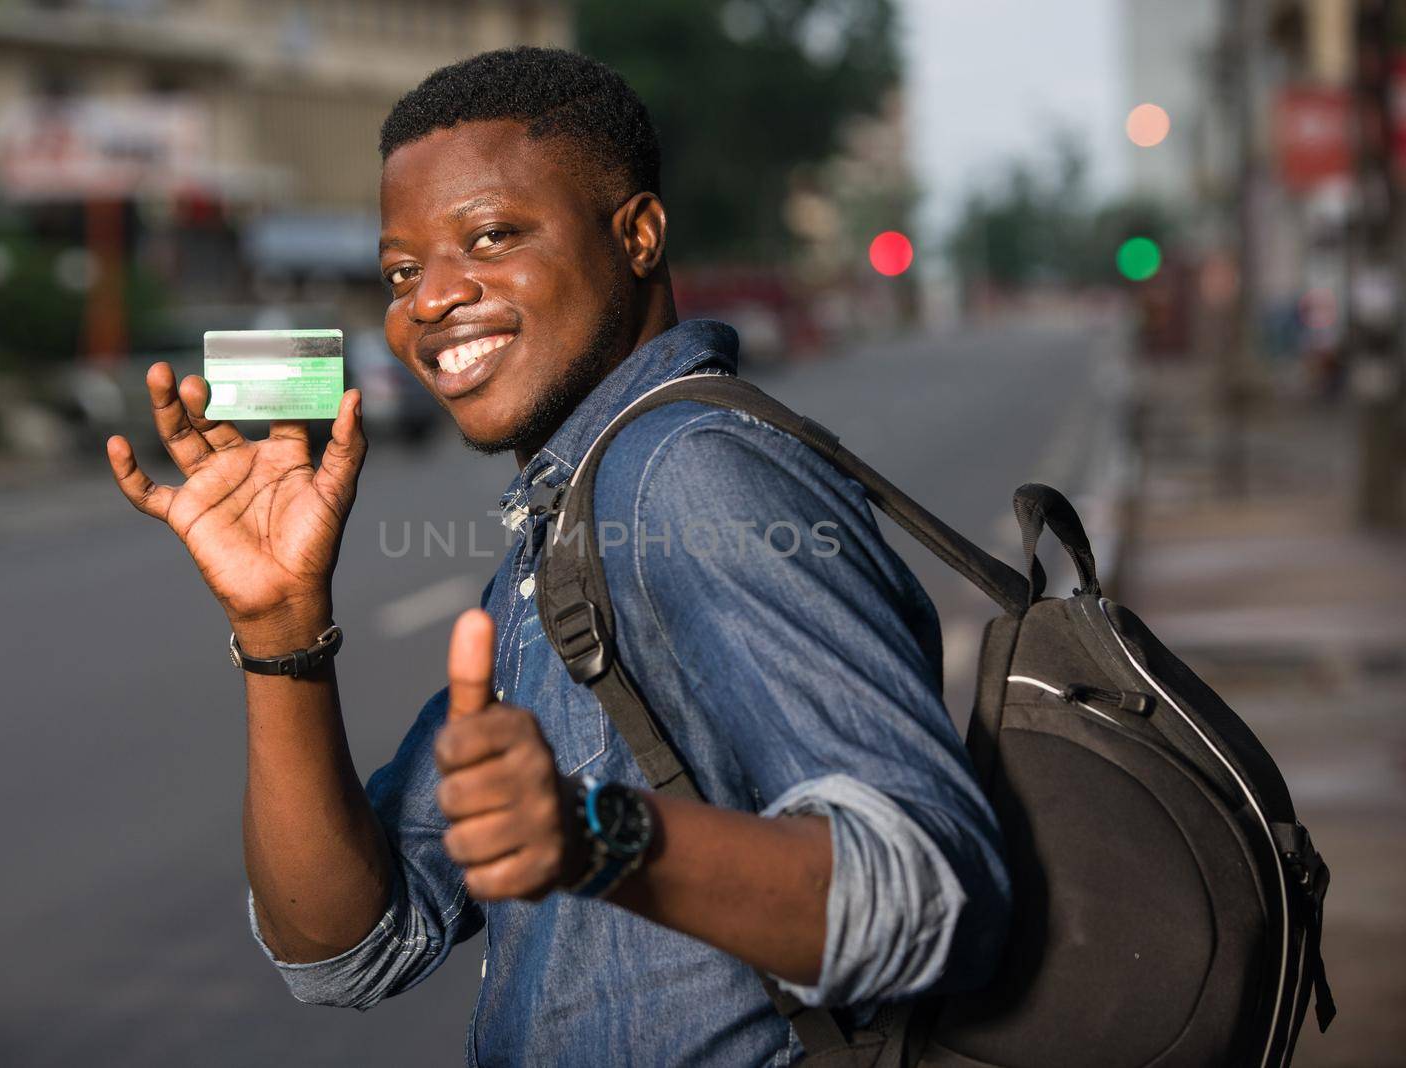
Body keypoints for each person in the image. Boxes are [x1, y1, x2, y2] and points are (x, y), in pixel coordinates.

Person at [107, 46, 1009, 1066]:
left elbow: (940, 890)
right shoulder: (575, 511)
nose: (430, 300)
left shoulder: (689, 475)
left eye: (490, 237)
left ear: (636, 235)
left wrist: (596, 840)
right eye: (402, 270)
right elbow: (348, 945)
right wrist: (279, 634)